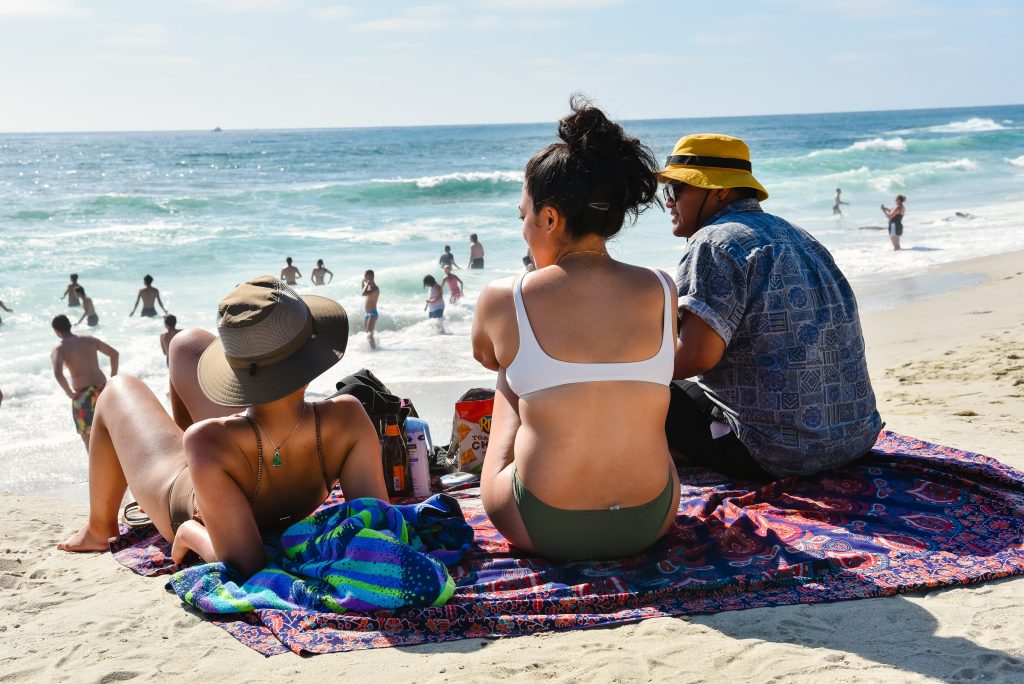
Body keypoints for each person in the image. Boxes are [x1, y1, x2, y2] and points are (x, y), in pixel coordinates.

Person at [57, 276, 389, 582]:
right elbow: (377, 529)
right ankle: (206, 477)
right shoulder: (349, 416)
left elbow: (245, 565)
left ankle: (99, 529)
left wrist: (190, 533)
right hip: (240, 466)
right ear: (311, 354)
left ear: (235, 376)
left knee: (117, 388)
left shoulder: (206, 440)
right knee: (186, 344)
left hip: (197, 492)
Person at [470, 97, 679, 561]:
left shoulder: (506, 298)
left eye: (523, 215)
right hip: (652, 518)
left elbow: (486, 355)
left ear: (549, 218)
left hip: (543, 524)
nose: (524, 228)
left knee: (509, 374)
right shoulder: (663, 289)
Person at [657, 133, 882, 480]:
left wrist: (616, 368)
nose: (668, 202)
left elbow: (694, 358)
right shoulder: (798, 235)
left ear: (719, 191)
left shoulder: (713, 243)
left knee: (640, 387)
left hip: (778, 451)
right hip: (854, 438)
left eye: (675, 190)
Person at [50, 314, 119, 448]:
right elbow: (114, 354)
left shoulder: (60, 348)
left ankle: (97, 468)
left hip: (83, 396)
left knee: (88, 436)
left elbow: (58, 373)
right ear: (69, 326)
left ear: (57, 331)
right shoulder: (89, 340)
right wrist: (113, 378)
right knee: (111, 430)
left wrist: (69, 393)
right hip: (102, 389)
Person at [361, 270, 380, 350]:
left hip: (372, 314)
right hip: (367, 314)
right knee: (368, 335)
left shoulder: (375, 288)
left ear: (369, 277)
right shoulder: (368, 287)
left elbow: (363, 293)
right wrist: (363, 284)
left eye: (365, 276)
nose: (364, 278)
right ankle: (373, 351)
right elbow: (363, 291)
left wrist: (367, 283)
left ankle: (375, 352)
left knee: (369, 336)